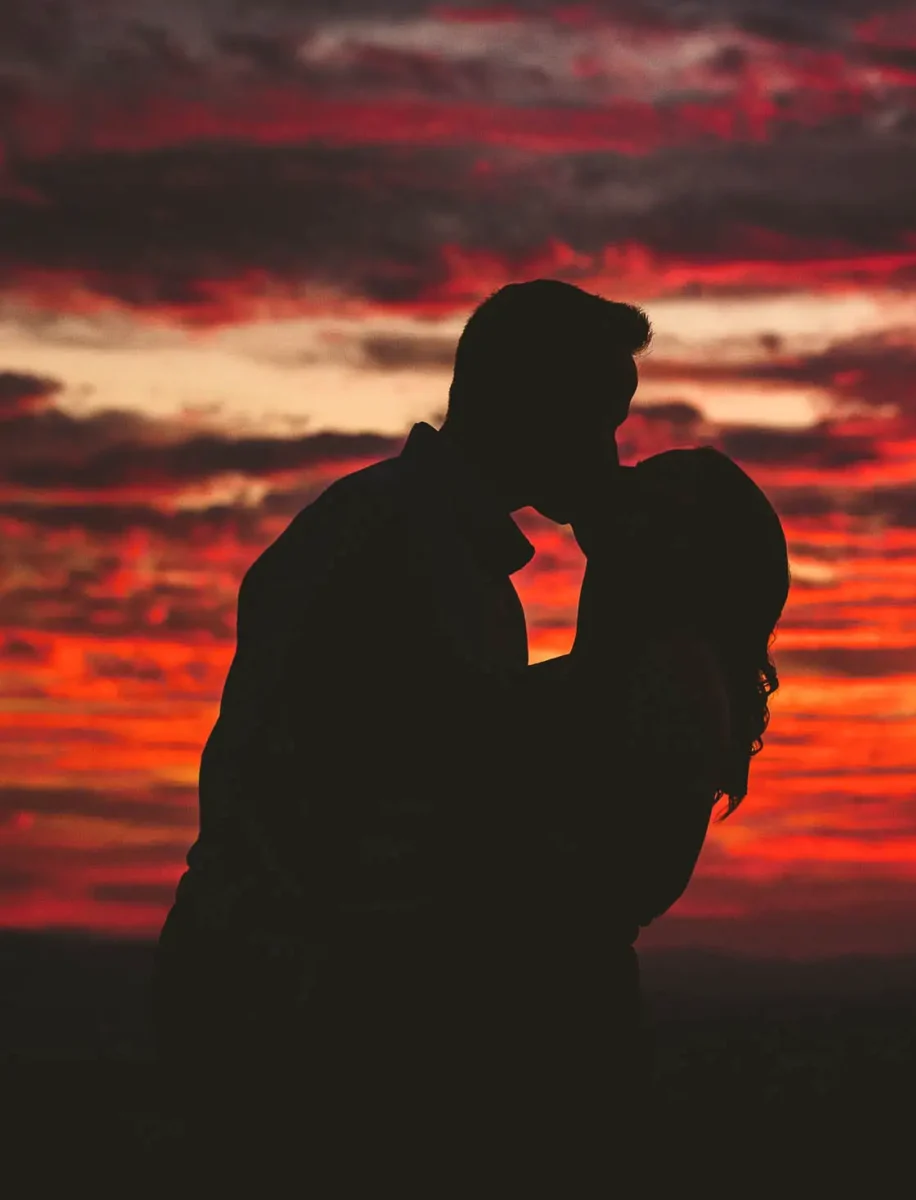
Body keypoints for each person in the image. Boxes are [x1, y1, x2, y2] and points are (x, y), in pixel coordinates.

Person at [153, 280, 651, 1174]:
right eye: (597, 417)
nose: (610, 453)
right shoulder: (406, 548)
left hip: (284, 991)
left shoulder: (414, 538)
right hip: (298, 1017)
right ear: (526, 400)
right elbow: (460, 769)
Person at [524, 446, 790, 1139]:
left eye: (652, 489)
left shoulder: (667, 678)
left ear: (682, 551)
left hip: (541, 1031)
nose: (623, 479)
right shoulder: (643, 667)